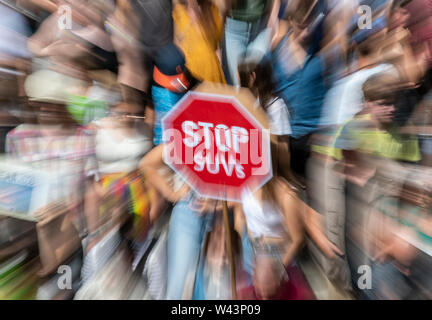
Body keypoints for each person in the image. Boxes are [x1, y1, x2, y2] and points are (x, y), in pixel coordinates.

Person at [81, 101, 155, 282]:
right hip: (106, 191)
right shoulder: (95, 130)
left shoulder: (144, 130)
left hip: (136, 190)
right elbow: (89, 174)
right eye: (121, 111)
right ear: (112, 109)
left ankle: (133, 274)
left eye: (131, 113)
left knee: (136, 240)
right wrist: (99, 188)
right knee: (107, 242)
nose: (126, 116)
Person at [220, 0, 280, 86]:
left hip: (262, 26)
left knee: (259, 84)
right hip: (234, 29)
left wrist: (274, 16)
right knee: (241, 85)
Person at [172, 0, 226, 83]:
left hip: (209, 72)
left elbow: (216, 42)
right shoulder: (180, 11)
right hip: (188, 71)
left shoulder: (212, 10)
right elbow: (177, 43)